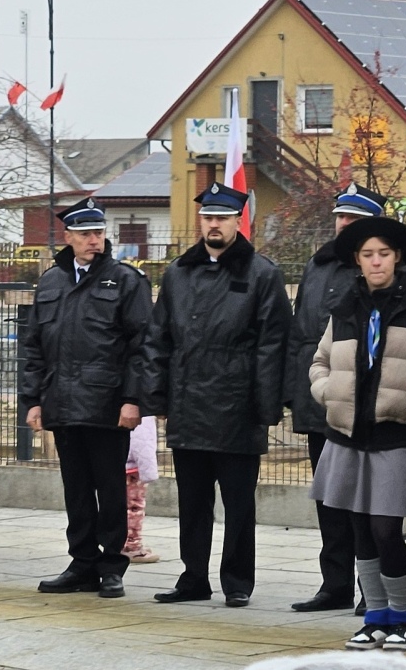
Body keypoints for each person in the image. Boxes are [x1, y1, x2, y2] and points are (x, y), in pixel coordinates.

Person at [140, 181, 293, 608]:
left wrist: (265, 406)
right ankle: (193, 577)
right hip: (188, 403)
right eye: (208, 216)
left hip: (237, 405)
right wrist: (157, 398)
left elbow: (273, 343)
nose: (214, 224)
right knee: (192, 503)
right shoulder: (178, 272)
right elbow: (158, 338)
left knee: (239, 505)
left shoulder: (262, 273)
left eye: (222, 218)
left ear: (237, 222)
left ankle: (237, 581)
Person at [288, 183, 406, 615]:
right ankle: (336, 585)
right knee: (335, 505)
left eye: (353, 217)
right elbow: (307, 340)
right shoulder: (319, 267)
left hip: (387, 420)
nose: (343, 223)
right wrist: (319, 391)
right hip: (333, 411)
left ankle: (381, 599)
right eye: (341, 216)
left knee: (379, 517)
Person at [309, 216, 406, 652]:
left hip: (396, 435)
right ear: (357, 260)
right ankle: (375, 617)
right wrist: (327, 391)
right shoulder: (345, 307)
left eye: (383, 254)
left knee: (387, 529)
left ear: (397, 257)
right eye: (368, 255)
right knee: (361, 531)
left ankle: (401, 616)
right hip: (348, 435)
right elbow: (320, 361)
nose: (376, 262)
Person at [19, 198, 153, 600]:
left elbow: (141, 346)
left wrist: (133, 400)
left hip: (107, 405)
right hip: (62, 402)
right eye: (85, 234)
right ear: (68, 237)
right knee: (76, 490)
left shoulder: (125, 280)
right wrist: (33, 400)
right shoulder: (51, 282)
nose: (94, 240)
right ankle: (81, 563)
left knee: (110, 489)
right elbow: (35, 346)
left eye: (98, 232)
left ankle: (111, 567)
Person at [123, 416, 160, 564]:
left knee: (119, 506)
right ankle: (132, 547)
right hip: (133, 466)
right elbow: (143, 443)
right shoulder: (142, 414)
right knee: (134, 507)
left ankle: (119, 543)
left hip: (118, 462)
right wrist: (148, 471)